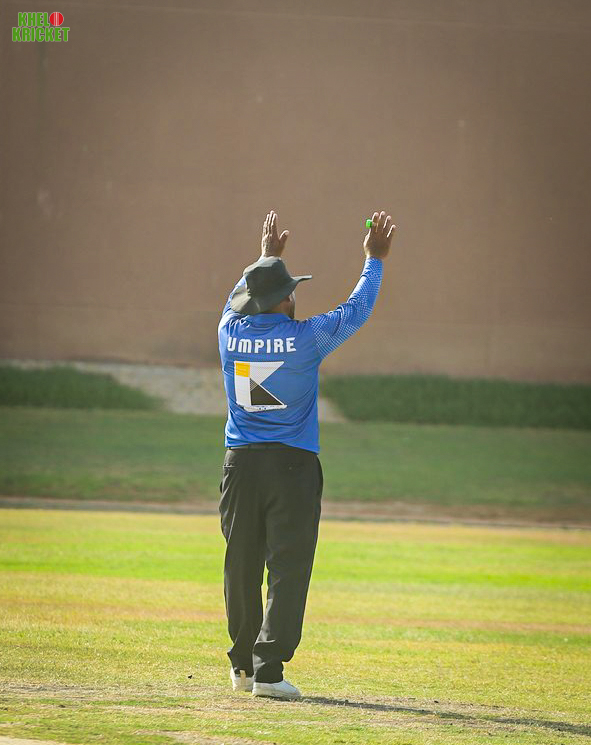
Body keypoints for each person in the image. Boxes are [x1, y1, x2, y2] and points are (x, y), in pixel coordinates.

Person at [217, 209, 395, 700]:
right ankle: (269, 672)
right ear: (284, 300)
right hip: (292, 465)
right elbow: (356, 310)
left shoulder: (228, 332)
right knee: (288, 567)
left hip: (240, 464)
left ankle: (242, 668)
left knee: (240, 564)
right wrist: (374, 260)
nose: (296, 296)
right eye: (290, 290)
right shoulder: (306, 338)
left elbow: (235, 299)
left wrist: (264, 259)